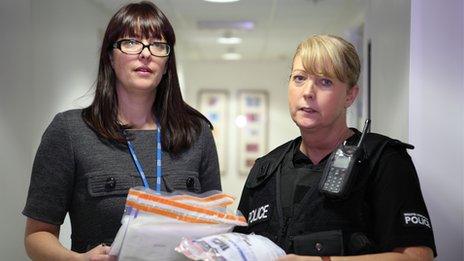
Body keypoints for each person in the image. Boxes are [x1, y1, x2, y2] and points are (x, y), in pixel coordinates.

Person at [23, 1, 221, 260]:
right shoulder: (70, 132)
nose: (146, 53)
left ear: (167, 62)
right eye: (131, 42)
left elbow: (214, 228)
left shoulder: (197, 134)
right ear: (110, 56)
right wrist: (78, 260)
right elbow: (36, 235)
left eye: (158, 45)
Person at [234, 35, 437, 260]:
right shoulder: (266, 170)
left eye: (325, 82)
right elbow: (239, 248)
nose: (308, 92)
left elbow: (417, 256)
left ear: (350, 95)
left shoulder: (383, 161)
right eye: (299, 78)